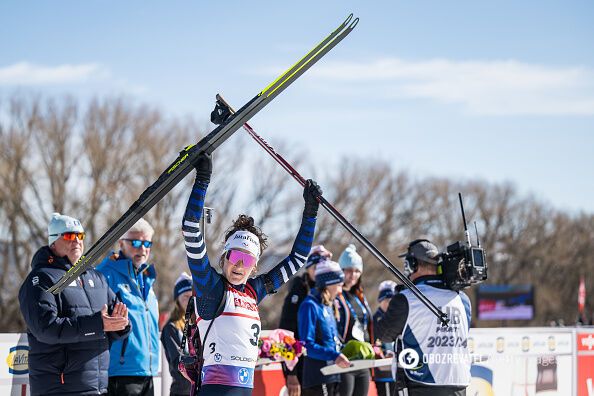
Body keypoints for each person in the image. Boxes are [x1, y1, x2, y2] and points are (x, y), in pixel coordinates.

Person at [180, 152, 322, 395]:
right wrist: (203, 178)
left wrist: (310, 213)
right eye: (235, 257)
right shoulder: (211, 287)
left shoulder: (253, 291)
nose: (239, 265)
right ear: (225, 257)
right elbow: (191, 230)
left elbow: (297, 258)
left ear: (254, 265)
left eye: (247, 260)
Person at [18, 213, 130, 396]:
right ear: (53, 242)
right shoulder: (41, 279)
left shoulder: (96, 277)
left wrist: (121, 324)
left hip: (97, 387)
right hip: (60, 388)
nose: (76, 241)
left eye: (80, 236)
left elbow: (113, 318)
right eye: (69, 236)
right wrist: (97, 325)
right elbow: (44, 328)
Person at [375, 239, 472, 396]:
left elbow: (383, 334)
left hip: (422, 384)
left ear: (412, 265)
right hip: (458, 385)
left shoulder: (406, 298)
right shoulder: (463, 300)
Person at [97, 218, 159, 396]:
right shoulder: (106, 275)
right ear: (121, 243)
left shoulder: (146, 278)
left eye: (147, 243)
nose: (143, 248)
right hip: (119, 372)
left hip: (147, 371)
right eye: (136, 242)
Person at [278, 245, 333, 396]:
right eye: (316, 267)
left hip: (325, 365)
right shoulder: (298, 292)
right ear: (308, 268)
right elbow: (286, 333)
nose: (320, 271)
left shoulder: (327, 293)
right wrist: (291, 373)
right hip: (302, 367)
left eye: (324, 267)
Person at [298, 260, 351, 396]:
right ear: (329, 284)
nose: (340, 290)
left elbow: (331, 341)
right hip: (317, 377)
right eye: (338, 285)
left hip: (333, 374)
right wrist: (335, 355)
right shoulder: (309, 306)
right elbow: (307, 346)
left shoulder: (327, 305)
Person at [335, 244, 373, 396]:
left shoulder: (359, 296)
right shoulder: (335, 294)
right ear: (341, 270)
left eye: (357, 271)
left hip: (362, 359)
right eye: (349, 270)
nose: (353, 275)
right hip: (345, 358)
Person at [161, 273, 194, 396]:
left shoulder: (201, 324)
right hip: (182, 391)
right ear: (177, 300)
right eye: (185, 296)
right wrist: (200, 361)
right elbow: (177, 362)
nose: (189, 301)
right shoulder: (171, 328)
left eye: (192, 296)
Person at [373, 280, 398, 396]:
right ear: (381, 300)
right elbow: (374, 343)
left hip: (396, 370)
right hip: (384, 372)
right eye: (388, 300)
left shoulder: (394, 317)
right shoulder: (376, 319)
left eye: (393, 301)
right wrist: (383, 353)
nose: (390, 304)